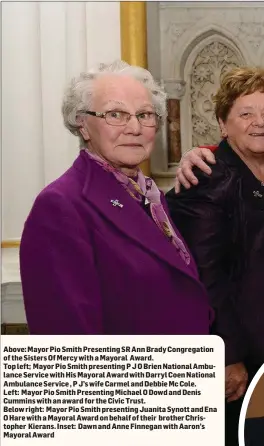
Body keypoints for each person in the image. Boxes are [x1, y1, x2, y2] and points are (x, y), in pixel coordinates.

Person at [20, 60, 210, 335]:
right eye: (115, 114)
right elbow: (67, 343)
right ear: (83, 125)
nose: (134, 127)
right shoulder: (61, 206)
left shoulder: (149, 197)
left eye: (145, 114)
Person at [166, 66, 264, 446]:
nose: (259, 123)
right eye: (247, 113)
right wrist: (228, 356)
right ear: (223, 124)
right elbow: (204, 278)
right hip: (238, 357)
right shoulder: (206, 177)